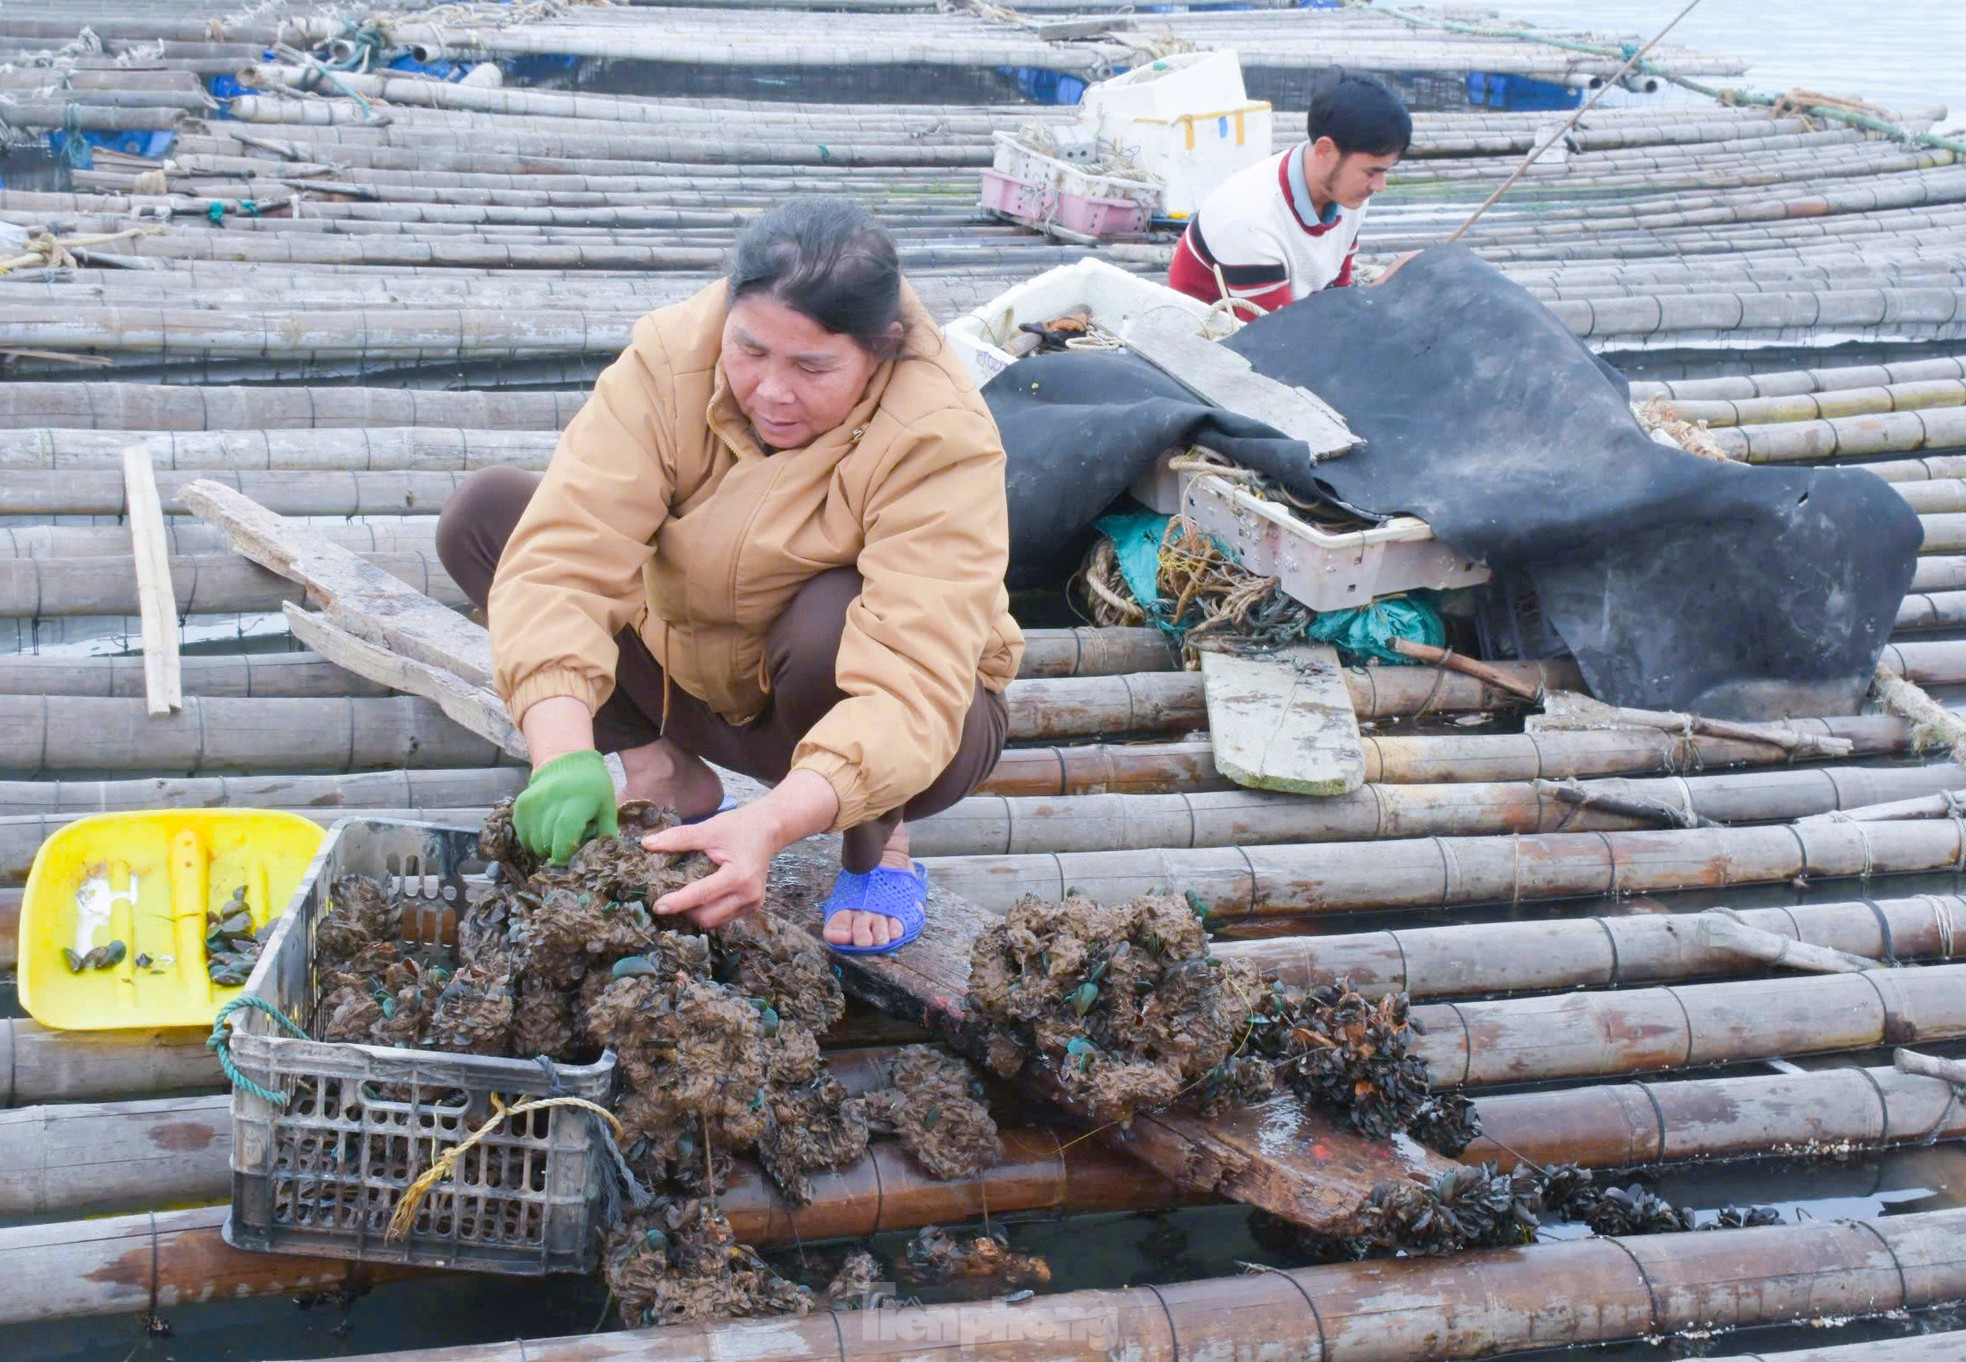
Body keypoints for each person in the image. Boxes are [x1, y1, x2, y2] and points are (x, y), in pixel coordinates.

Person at [435, 197, 1024, 955]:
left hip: (867, 712)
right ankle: (662, 766)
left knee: (831, 620)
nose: (772, 392)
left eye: (812, 367)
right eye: (750, 351)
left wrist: (771, 825)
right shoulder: (671, 355)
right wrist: (561, 754)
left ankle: (881, 844)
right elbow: (566, 556)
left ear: (881, 350)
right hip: (689, 675)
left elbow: (911, 682)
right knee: (490, 519)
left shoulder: (939, 434)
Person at [1167, 68, 1415, 315]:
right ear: (1325, 150)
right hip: (1215, 339)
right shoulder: (1249, 221)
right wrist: (1384, 289)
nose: (1380, 186)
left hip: (1290, 321)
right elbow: (1279, 340)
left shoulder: (1349, 194)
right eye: (1372, 172)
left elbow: (1338, 293)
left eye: (1385, 171)